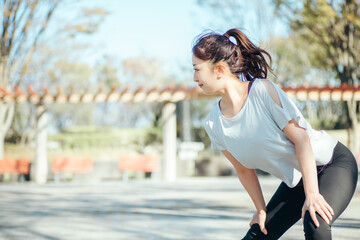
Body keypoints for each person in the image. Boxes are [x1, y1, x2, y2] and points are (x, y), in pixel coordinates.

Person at [192, 28, 358, 240]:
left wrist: (313, 194)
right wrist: (261, 210)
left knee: (315, 220)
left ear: (220, 70)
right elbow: (243, 170)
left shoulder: (261, 91)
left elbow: (301, 139)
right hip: (297, 181)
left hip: (333, 164)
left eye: (197, 69)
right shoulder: (213, 123)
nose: (194, 77)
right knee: (257, 235)